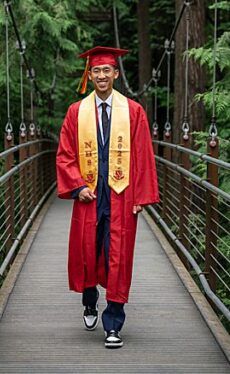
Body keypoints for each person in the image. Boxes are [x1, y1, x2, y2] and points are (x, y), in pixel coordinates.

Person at [56, 46, 159, 348]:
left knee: (118, 256)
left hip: (122, 195)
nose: (101, 76)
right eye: (96, 71)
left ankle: (113, 322)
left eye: (106, 70)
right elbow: (65, 154)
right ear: (90, 75)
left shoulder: (134, 111)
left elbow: (142, 156)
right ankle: (90, 300)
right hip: (89, 195)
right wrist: (77, 186)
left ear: (115, 74)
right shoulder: (77, 111)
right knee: (88, 252)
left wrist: (141, 195)